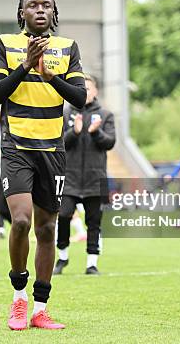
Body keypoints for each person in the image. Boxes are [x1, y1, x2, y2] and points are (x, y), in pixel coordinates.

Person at [0, 0, 86, 330]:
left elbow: (81, 97)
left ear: (54, 12)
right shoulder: (5, 44)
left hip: (52, 151)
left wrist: (51, 77)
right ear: (22, 13)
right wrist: (26, 65)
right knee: (21, 222)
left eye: (46, 5)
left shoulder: (67, 47)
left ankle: (41, 308)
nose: (40, 10)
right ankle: (18, 298)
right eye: (33, 5)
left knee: (46, 229)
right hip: (16, 148)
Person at [53, 74, 115, 276]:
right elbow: (58, 143)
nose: (85, 92)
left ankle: (92, 263)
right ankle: (62, 257)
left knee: (94, 221)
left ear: (95, 91)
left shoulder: (105, 115)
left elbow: (110, 142)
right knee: (63, 216)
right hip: (69, 178)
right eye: (82, 88)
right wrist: (75, 132)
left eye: (89, 89)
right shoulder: (65, 113)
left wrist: (96, 132)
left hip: (96, 179)